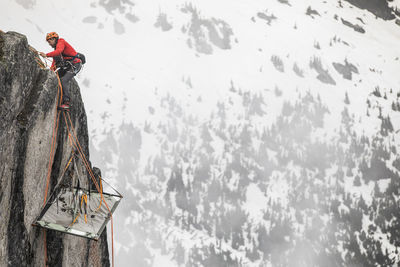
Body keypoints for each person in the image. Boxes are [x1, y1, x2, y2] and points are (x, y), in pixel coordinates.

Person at [40, 32, 82, 109]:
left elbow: (58, 51)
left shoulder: (61, 42)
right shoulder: (57, 48)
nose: (49, 44)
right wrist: (50, 72)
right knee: (56, 77)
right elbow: (54, 62)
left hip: (75, 65)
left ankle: (66, 102)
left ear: (54, 39)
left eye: (50, 41)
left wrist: (46, 55)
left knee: (63, 80)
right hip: (69, 65)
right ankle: (60, 98)